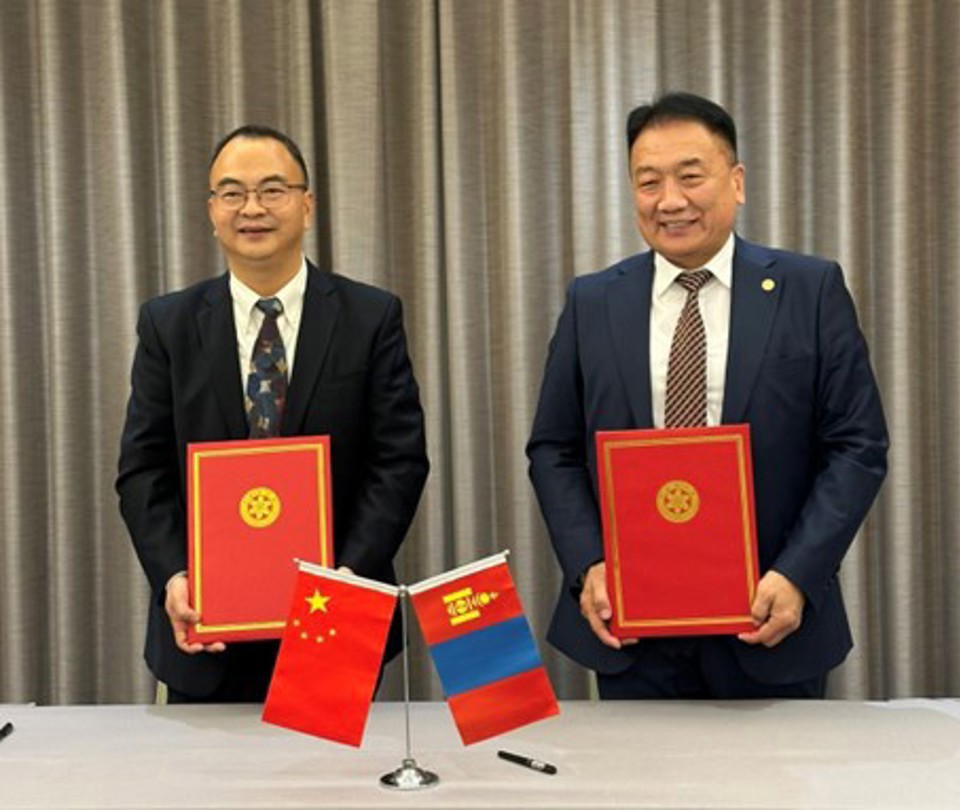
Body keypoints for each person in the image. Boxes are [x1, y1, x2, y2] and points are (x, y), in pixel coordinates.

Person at [526, 92, 888, 699]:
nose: (670, 200)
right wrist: (589, 564)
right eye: (649, 182)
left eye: (690, 177)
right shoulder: (593, 302)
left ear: (736, 181)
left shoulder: (809, 289)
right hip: (632, 632)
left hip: (770, 621)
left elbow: (857, 446)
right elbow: (553, 448)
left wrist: (798, 575)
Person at [117, 125, 429, 702]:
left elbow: (399, 461)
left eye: (272, 190)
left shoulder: (369, 317)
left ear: (307, 204)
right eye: (232, 192)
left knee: (332, 765)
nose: (252, 208)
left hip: (335, 617)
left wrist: (349, 575)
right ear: (212, 211)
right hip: (206, 630)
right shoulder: (168, 324)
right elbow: (142, 471)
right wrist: (174, 575)